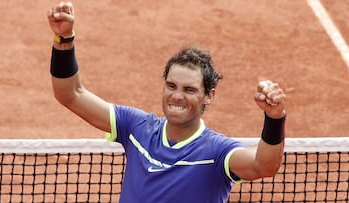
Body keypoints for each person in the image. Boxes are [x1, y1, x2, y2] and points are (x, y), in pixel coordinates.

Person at [47, 2, 286, 203]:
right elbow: (71, 94)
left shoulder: (216, 152)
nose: (177, 96)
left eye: (189, 89)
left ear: (209, 95)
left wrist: (274, 118)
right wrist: (63, 39)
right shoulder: (136, 128)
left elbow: (262, 166)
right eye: (171, 86)